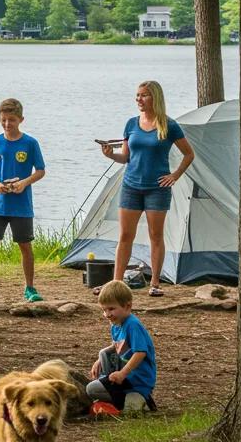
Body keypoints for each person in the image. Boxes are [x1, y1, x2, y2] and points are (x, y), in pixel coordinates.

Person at [100, 80, 194, 297]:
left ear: (155, 98)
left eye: (144, 95)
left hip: (157, 189)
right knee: (125, 235)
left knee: (155, 235)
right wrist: (110, 155)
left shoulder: (169, 125)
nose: (139, 100)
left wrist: (174, 176)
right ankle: (116, 283)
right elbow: (125, 157)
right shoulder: (131, 124)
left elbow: (189, 154)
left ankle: (155, 283)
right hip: (131, 186)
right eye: (137, 95)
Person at [0, 97, 46, 304]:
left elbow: (40, 171)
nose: (7, 124)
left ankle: (30, 288)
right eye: (3, 120)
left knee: (25, 245)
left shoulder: (30, 143)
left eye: (11, 120)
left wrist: (24, 183)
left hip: (21, 205)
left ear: (21, 119)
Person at [82, 279, 157, 415]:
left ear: (127, 306)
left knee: (92, 390)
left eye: (111, 309)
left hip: (136, 380)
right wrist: (99, 360)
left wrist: (123, 373)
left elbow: (140, 353)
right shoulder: (116, 324)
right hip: (124, 378)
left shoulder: (133, 325)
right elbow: (116, 346)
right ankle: (121, 399)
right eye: (104, 310)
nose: (107, 314)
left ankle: (138, 398)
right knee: (103, 354)